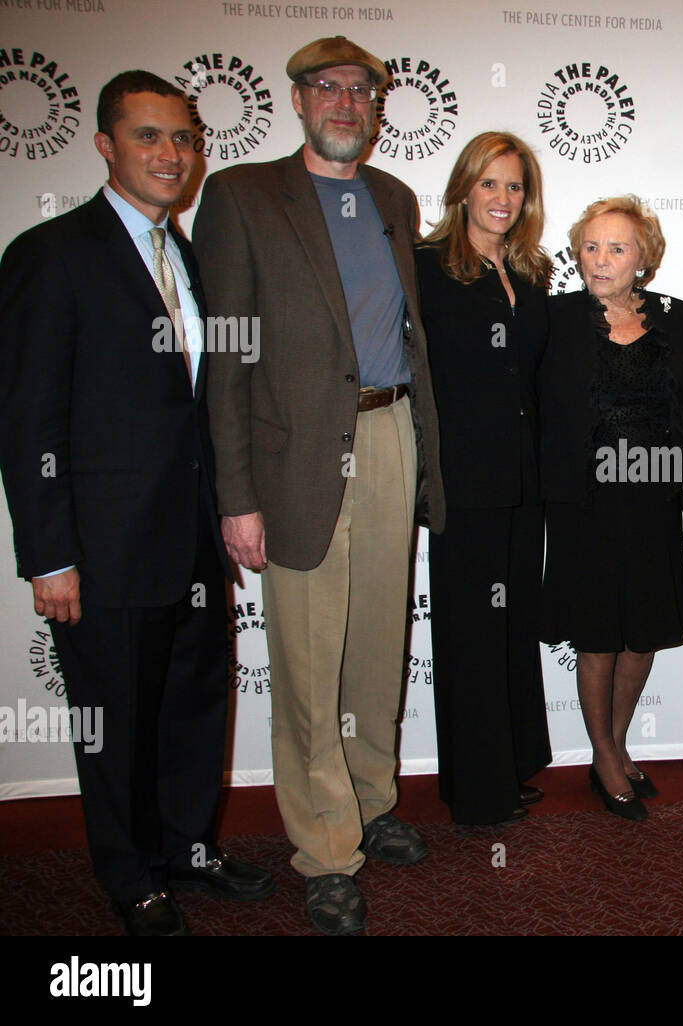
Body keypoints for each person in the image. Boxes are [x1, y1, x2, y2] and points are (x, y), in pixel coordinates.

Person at [0, 71, 273, 935]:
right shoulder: (51, 254)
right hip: (103, 553)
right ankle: (133, 880)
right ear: (105, 145)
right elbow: (27, 416)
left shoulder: (184, 253)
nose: (170, 153)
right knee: (114, 729)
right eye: (149, 136)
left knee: (193, 711)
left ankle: (190, 853)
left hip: (191, 542)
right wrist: (50, 555)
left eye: (183, 138)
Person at [193, 36, 445, 934]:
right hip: (291, 458)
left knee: (377, 644)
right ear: (297, 100)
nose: (347, 103)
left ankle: (373, 803)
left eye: (362, 91)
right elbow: (225, 355)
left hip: (390, 436)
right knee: (306, 662)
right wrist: (235, 493)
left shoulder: (393, 199)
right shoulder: (240, 195)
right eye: (328, 88)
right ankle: (325, 850)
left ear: (378, 107)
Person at [539, 196, 683, 821]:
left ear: (644, 258)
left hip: (656, 495)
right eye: (590, 246)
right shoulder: (551, 320)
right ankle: (603, 755)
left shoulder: (679, 319)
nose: (600, 260)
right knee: (599, 632)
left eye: (617, 247)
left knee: (644, 629)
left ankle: (619, 740)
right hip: (586, 500)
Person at [416, 132, 552, 826]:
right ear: (463, 188)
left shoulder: (530, 274)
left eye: (515, 186)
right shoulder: (424, 267)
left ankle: (509, 763)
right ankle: (476, 790)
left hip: (524, 480)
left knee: (510, 625)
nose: (502, 199)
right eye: (489, 183)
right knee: (471, 631)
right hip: (463, 481)